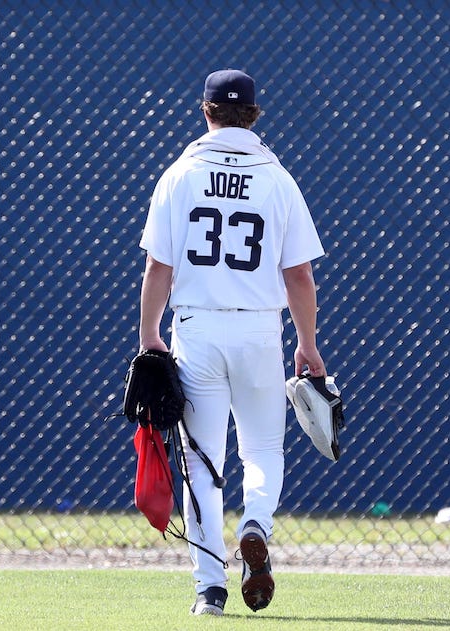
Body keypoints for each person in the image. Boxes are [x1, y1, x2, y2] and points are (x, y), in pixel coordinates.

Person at [137, 69, 328, 616]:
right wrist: (307, 343)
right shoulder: (277, 178)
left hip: (196, 328)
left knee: (202, 462)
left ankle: (209, 590)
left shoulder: (180, 173)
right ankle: (255, 525)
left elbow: (158, 266)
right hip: (259, 329)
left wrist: (150, 335)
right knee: (263, 449)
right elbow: (299, 277)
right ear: (254, 115)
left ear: (206, 111)